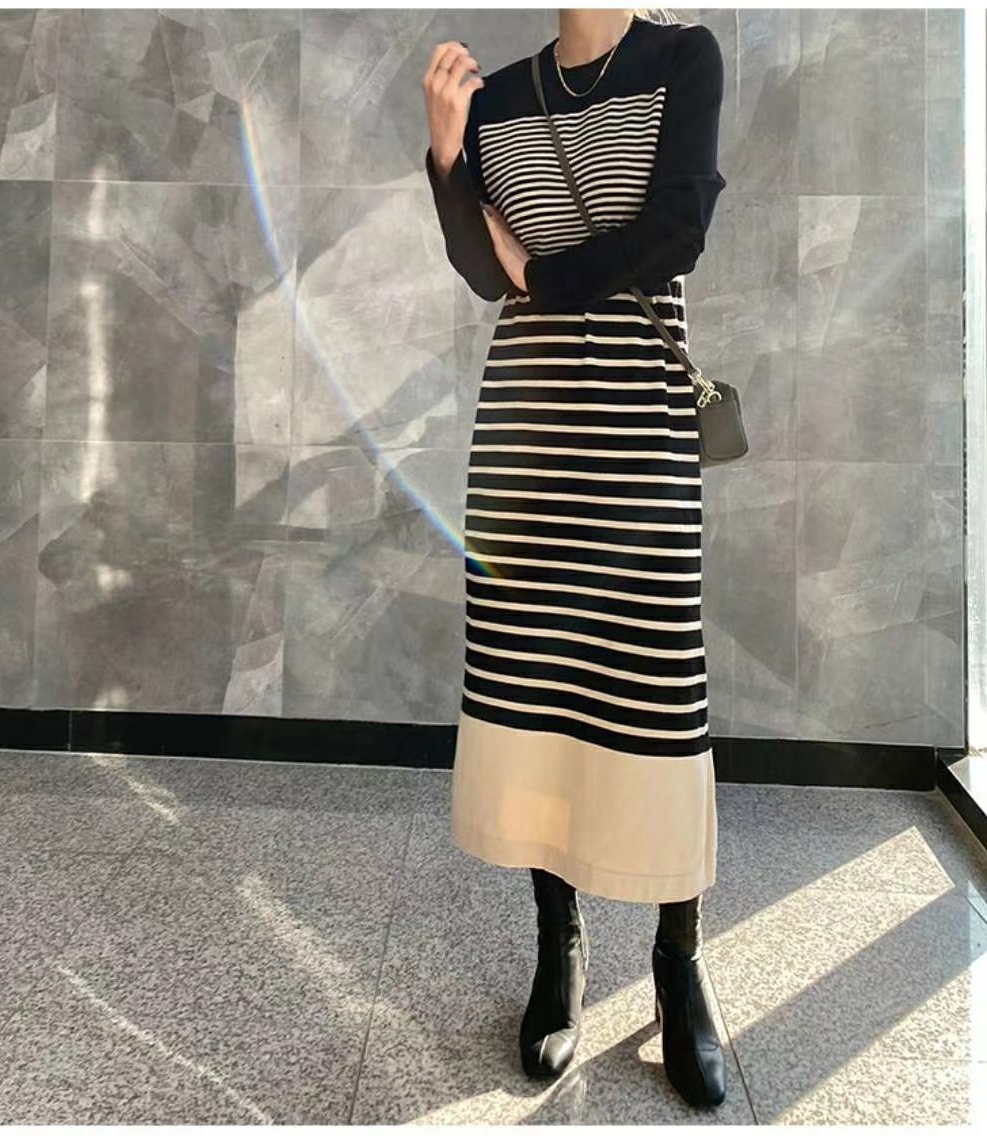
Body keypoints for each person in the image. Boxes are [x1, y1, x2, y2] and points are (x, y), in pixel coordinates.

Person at [421, 6, 727, 1109]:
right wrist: (446, 156)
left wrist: (539, 272)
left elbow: (674, 234)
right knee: (537, 686)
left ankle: (678, 958)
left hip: (638, 426)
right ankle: (559, 943)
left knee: (654, 691)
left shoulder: (682, 55)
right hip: (527, 434)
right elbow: (480, 269)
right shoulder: (498, 94)